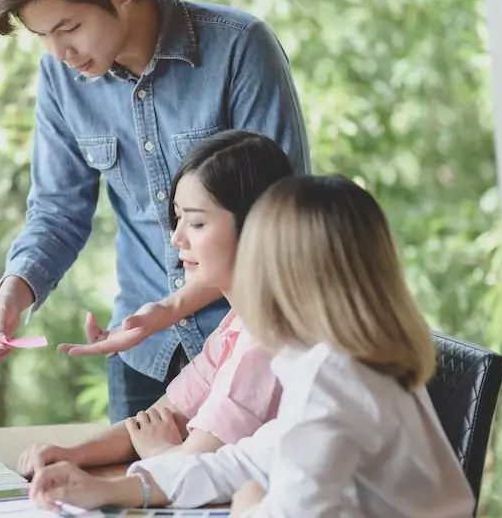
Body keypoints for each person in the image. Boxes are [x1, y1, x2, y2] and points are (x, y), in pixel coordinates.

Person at [0, 0, 311, 423]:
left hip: (250, 347)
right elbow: (58, 210)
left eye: (70, 28)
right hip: (142, 357)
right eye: (43, 36)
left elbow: (280, 223)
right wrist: (12, 293)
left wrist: (173, 307)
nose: (60, 53)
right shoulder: (62, 78)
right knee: (130, 498)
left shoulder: (239, 49)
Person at [27, 175, 477, 517]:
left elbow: (263, 493)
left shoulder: (337, 378)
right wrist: (107, 490)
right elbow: (244, 461)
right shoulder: (332, 360)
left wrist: (250, 501)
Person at [17, 130, 294, 478]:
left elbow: (194, 467)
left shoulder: (265, 342)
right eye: (177, 219)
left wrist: (159, 450)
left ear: (256, 226)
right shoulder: (238, 324)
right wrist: (70, 455)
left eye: (196, 222)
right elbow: (160, 419)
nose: (177, 238)